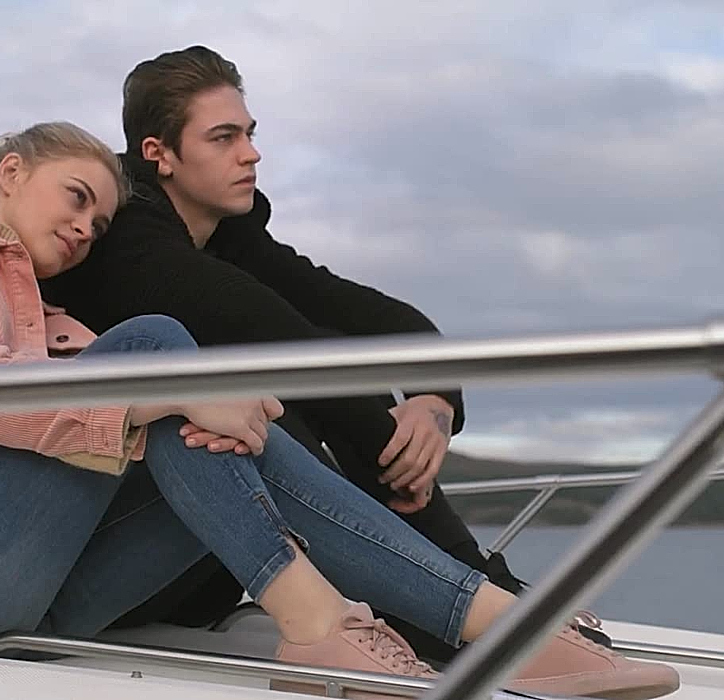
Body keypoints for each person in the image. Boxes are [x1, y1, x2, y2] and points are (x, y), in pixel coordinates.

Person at [0, 120, 678, 699]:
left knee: (212, 425)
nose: (85, 229)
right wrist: (176, 385)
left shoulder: (47, 317)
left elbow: (137, 412)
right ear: (11, 171)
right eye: (77, 198)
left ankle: (484, 621)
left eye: (100, 224)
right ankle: (369, 622)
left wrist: (222, 404)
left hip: (26, 603)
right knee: (154, 348)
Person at [38, 45, 608, 662]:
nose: (251, 154)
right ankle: (454, 606)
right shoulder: (128, 245)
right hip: (100, 562)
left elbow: (375, 316)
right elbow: (275, 335)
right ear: (160, 154)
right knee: (280, 396)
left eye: (250, 134)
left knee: (305, 375)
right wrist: (396, 455)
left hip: (201, 562)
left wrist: (435, 399)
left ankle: (462, 593)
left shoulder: (229, 237)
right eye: (224, 138)